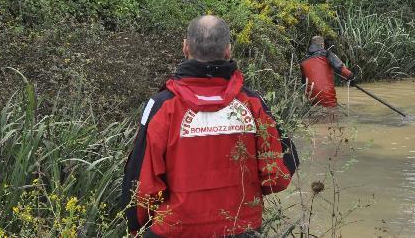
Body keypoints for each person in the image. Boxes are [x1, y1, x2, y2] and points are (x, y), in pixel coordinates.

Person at [121, 15, 298, 238]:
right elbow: (278, 175)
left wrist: (136, 227)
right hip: (241, 228)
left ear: (185, 47)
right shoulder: (254, 104)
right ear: (228, 51)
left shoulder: (161, 106)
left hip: (175, 230)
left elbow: (141, 185)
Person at [299, 36, 354, 108]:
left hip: (311, 98)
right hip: (327, 97)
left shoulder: (304, 62)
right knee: (332, 114)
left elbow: (304, 82)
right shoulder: (327, 54)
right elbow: (340, 68)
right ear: (322, 45)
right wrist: (351, 77)